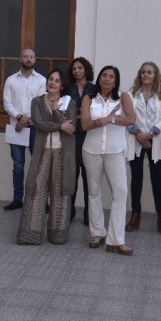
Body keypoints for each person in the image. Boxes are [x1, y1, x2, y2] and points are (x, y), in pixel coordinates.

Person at [16, 69, 77, 245]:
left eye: (57, 81)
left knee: (60, 192)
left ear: (62, 85)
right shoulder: (37, 101)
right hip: (42, 152)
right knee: (35, 189)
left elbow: (71, 126)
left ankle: (58, 235)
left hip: (62, 153)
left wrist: (57, 114)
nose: (52, 83)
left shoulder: (69, 103)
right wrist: (60, 124)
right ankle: (30, 233)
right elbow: (39, 123)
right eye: (51, 79)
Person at [82, 66, 136, 255]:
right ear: (99, 78)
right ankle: (97, 232)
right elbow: (85, 124)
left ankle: (116, 239)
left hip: (115, 151)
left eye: (111, 76)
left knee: (120, 192)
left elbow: (130, 119)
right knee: (94, 192)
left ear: (115, 80)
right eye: (104, 75)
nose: (107, 79)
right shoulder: (89, 97)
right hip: (91, 150)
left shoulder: (123, 97)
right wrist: (103, 120)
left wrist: (112, 120)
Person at [125, 62, 161, 235]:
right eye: (143, 72)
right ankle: (135, 214)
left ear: (155, 75)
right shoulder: (131, 94)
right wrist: (139, 135)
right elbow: (127, 116)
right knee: (136, 179)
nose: (146, 75)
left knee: (156, 180)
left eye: (149, 72)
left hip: (155, 140)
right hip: (136, 139)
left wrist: (149, 135)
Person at [2, 49, 46, 210]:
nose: (28, 59)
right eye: (25, 56)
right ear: (19, 59)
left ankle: (38, 200)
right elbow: (7, 103)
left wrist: (25, 120)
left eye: (31, 57)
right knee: (18, 165)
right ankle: (17, 199)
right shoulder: (11, 80)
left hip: (35, 129)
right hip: (16, 129)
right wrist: (19, 118)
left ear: (35, 60)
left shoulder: (41, 80)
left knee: (38, 166)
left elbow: (42, 104)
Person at [68, 57, 95, 225]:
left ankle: (88, 213)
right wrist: (80, 114)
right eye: (74, 69)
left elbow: (94, 111)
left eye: (79, 68)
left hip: (88, 135)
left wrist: (79, 115)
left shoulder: (93, 88)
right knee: (71, 176)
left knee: (88, 177)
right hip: (71, 137)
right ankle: (69, 212)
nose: (76, 71)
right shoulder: (68, 88)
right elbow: (65, 111)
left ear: (86, 69)